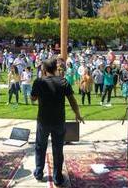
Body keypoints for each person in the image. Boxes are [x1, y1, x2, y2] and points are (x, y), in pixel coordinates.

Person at [31, 58, 84, 186]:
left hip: (43, 120)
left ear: (44, 69)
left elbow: (33, 98)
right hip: (59, 120)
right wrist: (77, 114)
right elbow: (72, 100)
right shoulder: (63, 82)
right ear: (55, 68)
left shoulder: (39, 82)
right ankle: (57, 177)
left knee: (40, 146)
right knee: (58, 149)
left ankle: (39, 172)